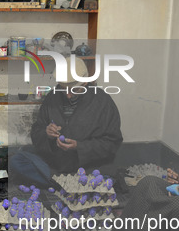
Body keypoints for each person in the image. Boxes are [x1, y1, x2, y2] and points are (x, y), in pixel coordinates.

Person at [9, 56, 123, 188]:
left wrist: (79, 147)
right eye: (64, 89)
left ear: (85, 83)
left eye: (74, 90)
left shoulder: (103, 102)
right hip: (56, 165)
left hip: (89, 167)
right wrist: (46, 133)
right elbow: (37, 130)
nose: (68, 95)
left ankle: (63, 184)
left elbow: (112, 143)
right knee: (17, 160)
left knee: (107, 174)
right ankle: (68, 184)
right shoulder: (53, 97)